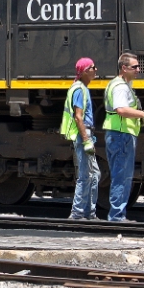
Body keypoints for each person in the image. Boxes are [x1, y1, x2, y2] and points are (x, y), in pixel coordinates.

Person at [103, 52, 144, 222]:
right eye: (134, 66)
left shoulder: (120, 84)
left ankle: (117, 215)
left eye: (138, 66)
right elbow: (121, 109)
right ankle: (116, 216)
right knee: (122, 176)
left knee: (121, 175)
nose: (138, 69)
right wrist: (141, 114)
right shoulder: (120, 87)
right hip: (121, 135)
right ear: (124, 68)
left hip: (120, 134)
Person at [61, 58, 100, 220]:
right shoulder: (79, 90)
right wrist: (86, 140)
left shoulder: (82, 88)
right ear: (84, 71)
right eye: (92, 67)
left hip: (86, 135)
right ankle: (77, 213)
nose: (96, 69)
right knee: (85, 175)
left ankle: (89, 213)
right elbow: (78, 117)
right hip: (83, 136)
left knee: (95, 174)